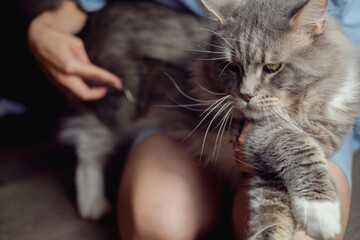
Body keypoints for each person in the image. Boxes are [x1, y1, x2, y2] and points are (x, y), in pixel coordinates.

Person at [27, 0, 360, 239]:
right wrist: (42, 28)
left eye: (271, 68)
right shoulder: (232, 68)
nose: (247, 91)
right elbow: (82, 5)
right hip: (201, 109)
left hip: (311, 104)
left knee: (304, 235)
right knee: (155, 223)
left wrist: (292, 155)